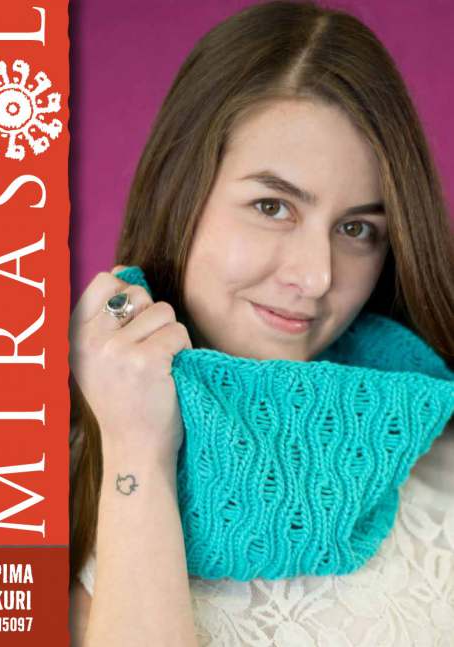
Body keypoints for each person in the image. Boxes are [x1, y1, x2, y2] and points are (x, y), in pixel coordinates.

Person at [68, 1, 454, 645]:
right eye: (272, 206)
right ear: (179, 193)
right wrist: (137, 447)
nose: (317, 276)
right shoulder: (19, 486)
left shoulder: (433, 443)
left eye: (357, 229)